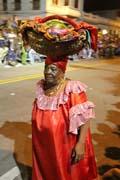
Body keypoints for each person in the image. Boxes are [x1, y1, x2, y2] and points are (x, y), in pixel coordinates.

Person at [32, 55, 98, 180]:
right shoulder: (42, 88)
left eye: (53, 69)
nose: (47, 72)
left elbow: (85, 117)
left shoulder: (72, 88)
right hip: (45, 144)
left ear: (62, 71)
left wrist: (81, 143)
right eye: (46, 68)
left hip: (65, 145)